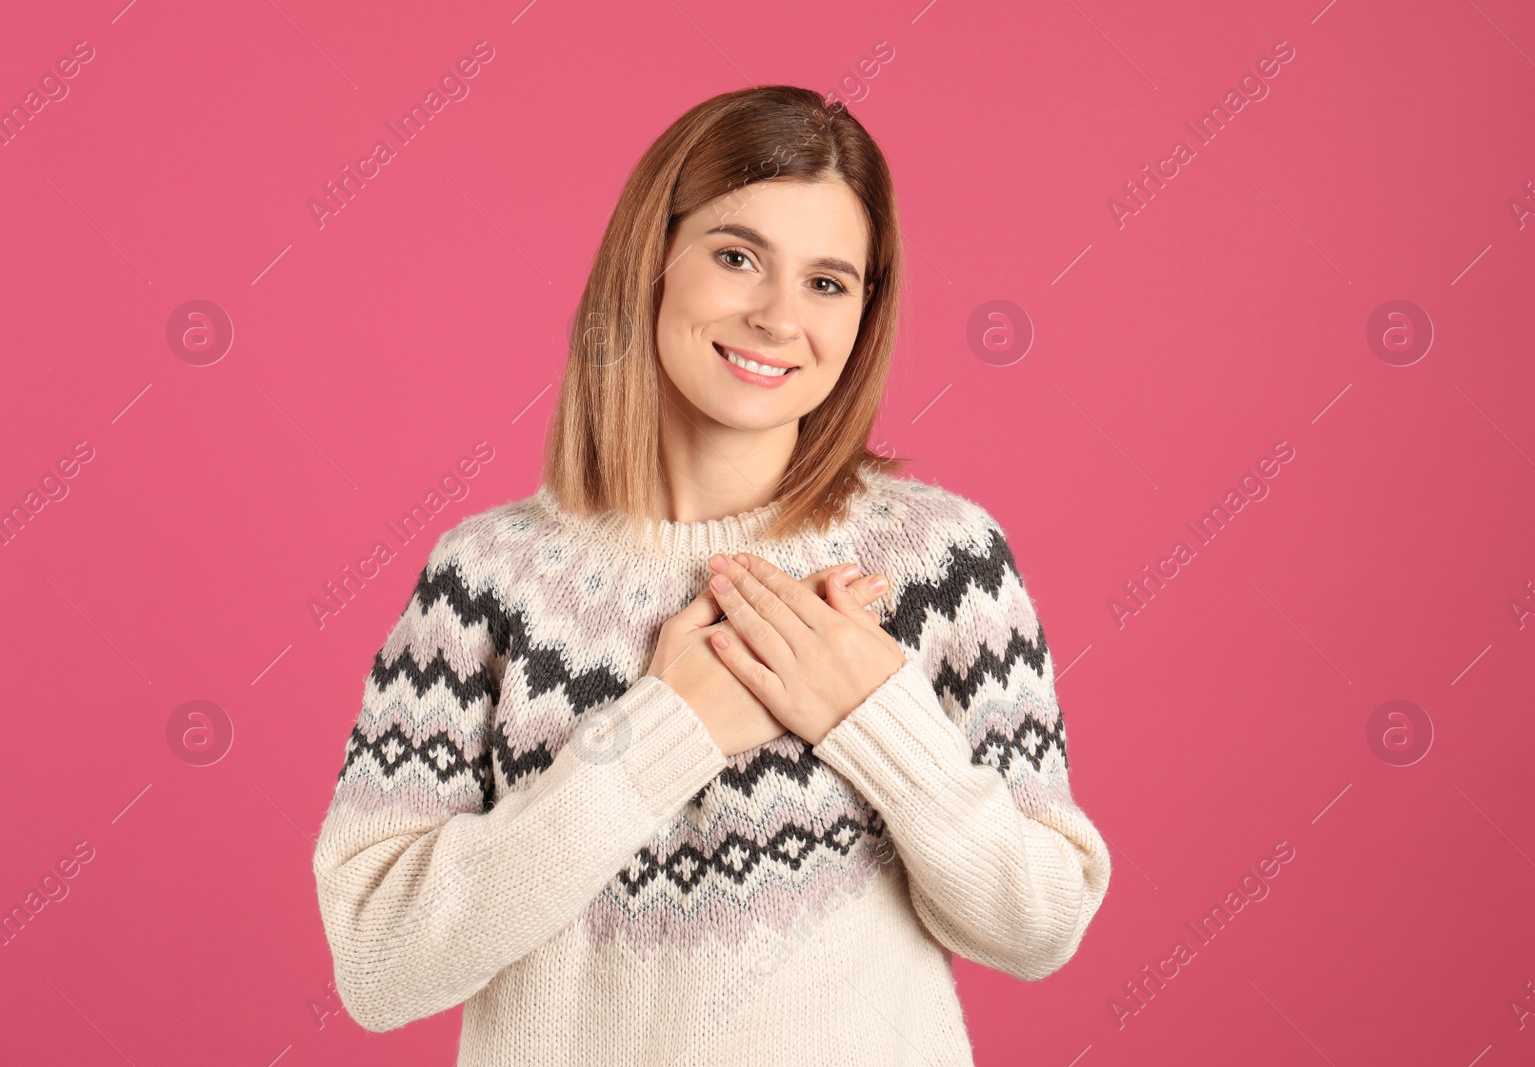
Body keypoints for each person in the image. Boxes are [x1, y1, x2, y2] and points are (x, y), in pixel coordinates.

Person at [311, 84, 1111, 1067]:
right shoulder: (487, 579)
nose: (778, 315)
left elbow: (1036, 925)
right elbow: (381, 964)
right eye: (737, 256)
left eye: (828, 282)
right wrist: (660, 738)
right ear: (652, 260)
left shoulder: (940, 564)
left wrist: (875, 714)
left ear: (865, 313)